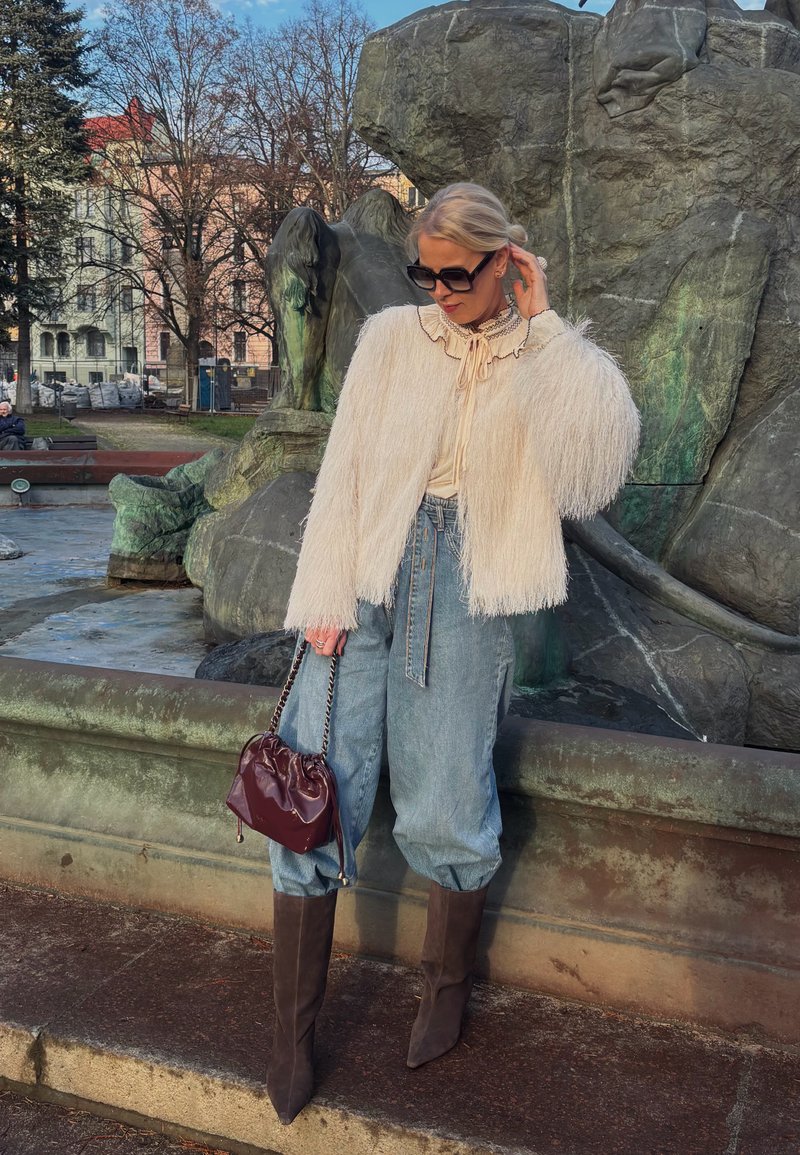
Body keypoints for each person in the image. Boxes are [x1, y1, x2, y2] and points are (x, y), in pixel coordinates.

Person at [266, 182, 641, 1124]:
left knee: (445, 794)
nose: (436, 287)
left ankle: (443, 988)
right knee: (313, 788)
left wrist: (545, 320)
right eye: (421, 270)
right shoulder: (390, 338)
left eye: (456, 273)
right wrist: (323, 591)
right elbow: (345, 463)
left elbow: (598, 465)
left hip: (466, 577)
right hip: (364, 569)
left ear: (503, 261)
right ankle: (292, 1030)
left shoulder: (542, 356)